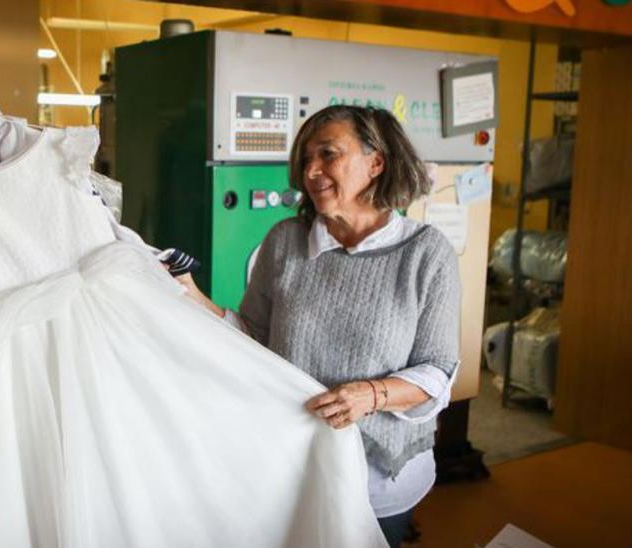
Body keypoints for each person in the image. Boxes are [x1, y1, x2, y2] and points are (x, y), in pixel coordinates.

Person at [181, 104, 461, 547]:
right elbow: (254, 336)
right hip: (289, 460)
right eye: (306, 158)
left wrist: (368, 396)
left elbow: (438, 370)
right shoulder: (285, 241)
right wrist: (189, 295)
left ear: (376, 162)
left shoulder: (426, 254)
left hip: (379, 477)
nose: (312, 170)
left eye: (328, 154)